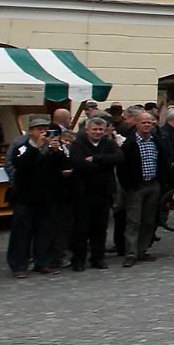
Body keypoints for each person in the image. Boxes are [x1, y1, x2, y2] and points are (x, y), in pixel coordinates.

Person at [6, 117, 65, 277]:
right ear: (31, 131)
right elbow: (20, 165)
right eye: (39, 129)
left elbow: (65, 166)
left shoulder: (54, 148)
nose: (42, 132)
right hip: (25, 197)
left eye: (45, 129)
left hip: (47, 197)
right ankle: (19, 265)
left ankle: (43, 262)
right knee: (22, 233)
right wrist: (35, 148)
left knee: (45, 232)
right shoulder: (22, 147)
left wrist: (57, 151)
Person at [117, 108, 172, 266]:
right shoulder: (129, 143)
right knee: (133, 221)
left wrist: (163, 181)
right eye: (144, 122)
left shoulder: (155, 140)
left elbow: (162, 161)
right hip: (136, 186)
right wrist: (129, 187)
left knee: (148, 220)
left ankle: (142, 250)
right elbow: (122, 168)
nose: (147, 125)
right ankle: (131, 253)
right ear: (137, 124)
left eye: (149, 122)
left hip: (153, 184)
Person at [68, 113, 120, 270]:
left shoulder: (109, 144)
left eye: (101, 129)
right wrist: (105, 164)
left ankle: (98, 258)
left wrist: (96, 159)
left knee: (100, 228)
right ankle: (78, 260)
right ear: (87, 129)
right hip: (83, 193)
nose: (98, 132)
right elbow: (79, 164)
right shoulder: (78, 144)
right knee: (81, 228)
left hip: (103, 193)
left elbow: (118, 158)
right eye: (95, 129)